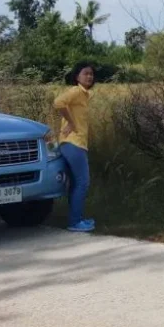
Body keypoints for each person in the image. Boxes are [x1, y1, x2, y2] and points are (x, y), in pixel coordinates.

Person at [54, 62, 96, 232]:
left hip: (71, 143)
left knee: (75, 183)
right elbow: (58, 103)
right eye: (85, 73)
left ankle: (75, 219)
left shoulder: (85, 94)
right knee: (83, 182)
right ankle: (75, 222)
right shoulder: (76, 91)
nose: (89, 76)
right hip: (74, 143)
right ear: (77, 76)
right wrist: (71, 122)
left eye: (91, 74)